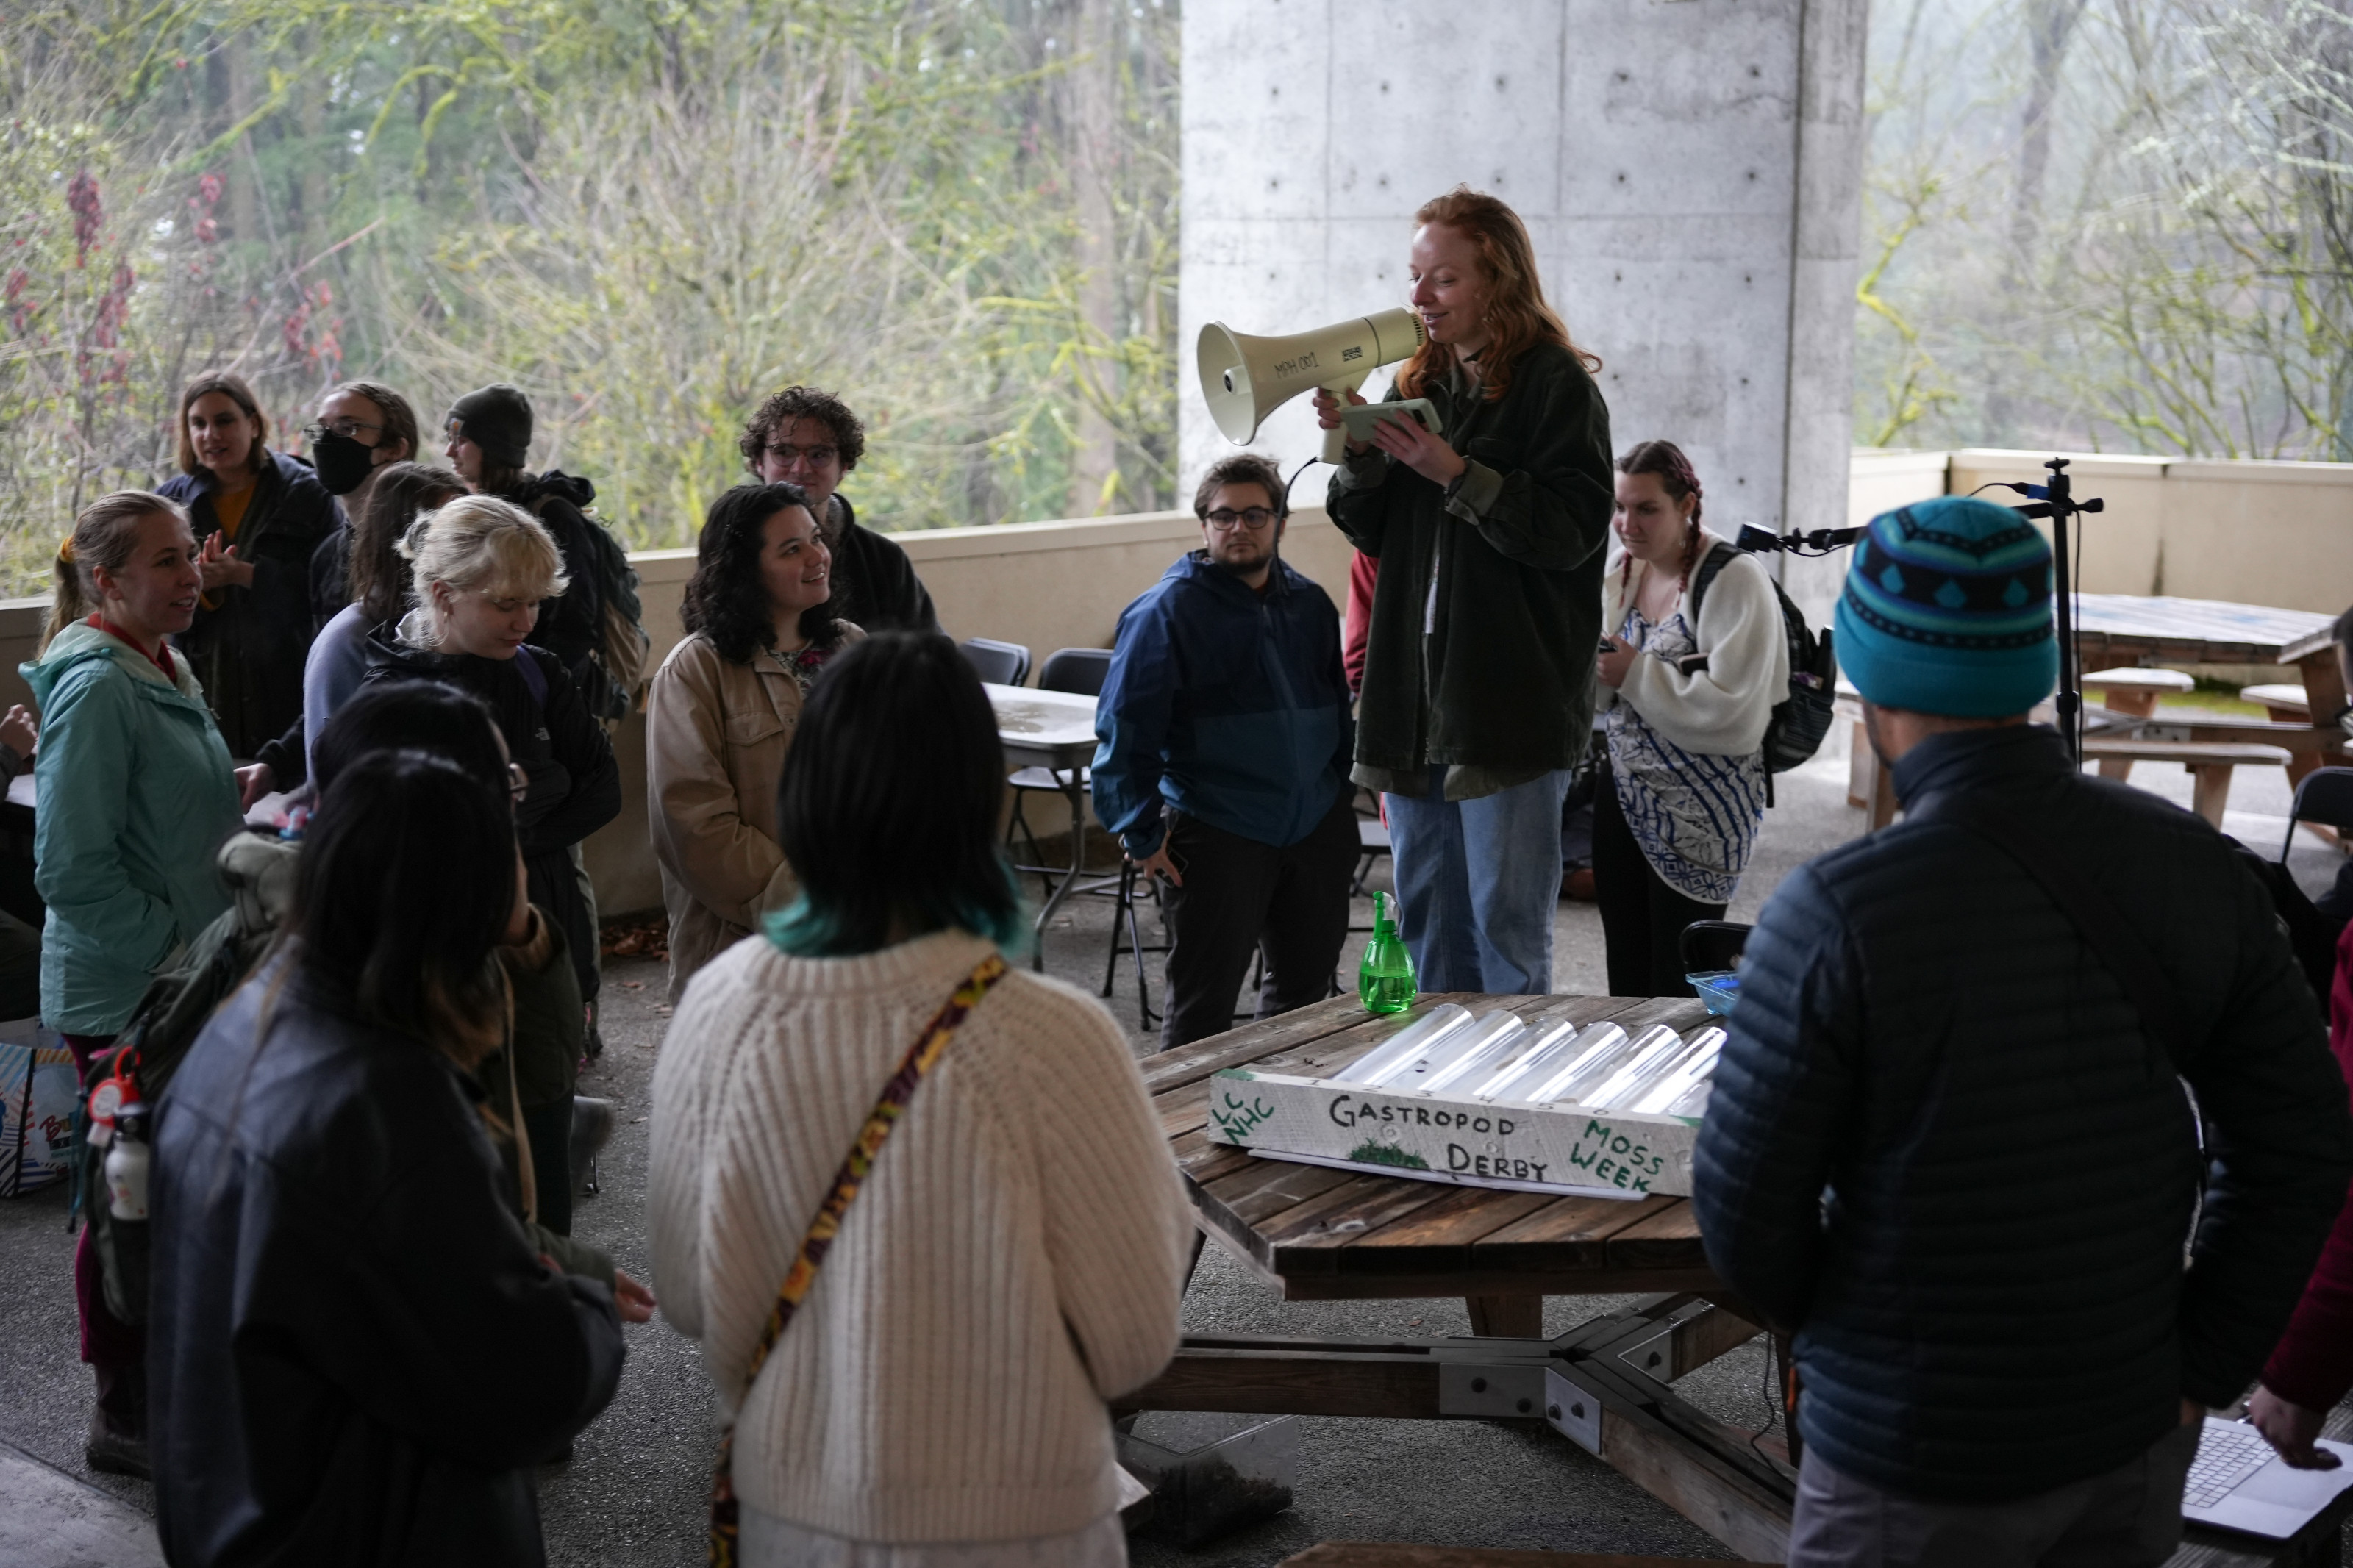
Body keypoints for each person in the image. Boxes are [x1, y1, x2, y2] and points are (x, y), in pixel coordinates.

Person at [1693, 496, 2353, 1567]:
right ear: (2036, 664)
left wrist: (1860, 1352)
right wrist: (2196, 1369)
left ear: (1868, 676)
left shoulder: (1837, 908)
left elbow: (1745, 1217)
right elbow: (2301, 1141)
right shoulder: (2195, 863)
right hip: (2130, 1441)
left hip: (1904, 1460)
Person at [650, 633, 1187, 1567]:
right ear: (976, 801)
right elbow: (1137, 1337)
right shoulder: (1048, 1035)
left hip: (791, 1514)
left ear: (805, 792)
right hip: (1016, 1523)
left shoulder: (720, 1010)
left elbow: (690, 1297)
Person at [148, 749, 626, 1564]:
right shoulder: (387, 1105)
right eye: (507, 851)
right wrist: (586, 1306)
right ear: (461, 896)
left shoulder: (246, 1022)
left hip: (245, 1513)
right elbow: (522, 1384)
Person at [1314, 186, 1615, 995]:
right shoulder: (1421, 377)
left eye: (1441, 280)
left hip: (1504, 704)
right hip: (1412, 706)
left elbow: (1571, 531)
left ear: (1497, 281)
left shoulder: (1556, 387)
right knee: (1422, 922)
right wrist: (1358, 449)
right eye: (1413, 277)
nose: (1417, 299)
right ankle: (1434, 1100)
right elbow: (1373, 532)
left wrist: (1456, 472)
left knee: (1504, 928)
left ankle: (1510, 1108)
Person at [22, 490, 251, 1477]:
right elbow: (69, 867)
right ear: (105, 581)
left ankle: (172, 1383)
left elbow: (153, 814)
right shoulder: (98, 686)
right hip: (130, 991)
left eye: (186, 557)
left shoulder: (160, 661)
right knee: (128, 1196)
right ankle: (122, 1411)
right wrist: (174, 947)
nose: (188, 574)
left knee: (169, 1190)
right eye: (163, 562)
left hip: (180, 980)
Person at [1093, 454, 1357, 1049]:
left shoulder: (1310, 604)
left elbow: (1337, 713)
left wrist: (1338, 807)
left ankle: (1277, 1129)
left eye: (1255, 515)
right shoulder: (1165, 611)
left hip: (1314, 830)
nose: (1240, 527)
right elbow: (1123, 729)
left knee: (1303, 1000)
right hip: (1217, 830)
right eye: (1224, 516)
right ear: (1204, 526)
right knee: (1202, 1005)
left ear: (1281, 522)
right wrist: (1138, 830)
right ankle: (1182, 1139)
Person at [362, 495, 620, 1052]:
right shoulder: (390, 700)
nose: (525, 622)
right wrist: (518, 838)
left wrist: (509, 845)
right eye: (506, 604)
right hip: (453, 942)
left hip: (551, 919)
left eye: (534, 603)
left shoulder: (538, 671)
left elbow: (604, 790)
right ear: (442, 594)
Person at [646, 482, 863, 998]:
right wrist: (810, 906)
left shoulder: (853, 647)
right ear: (744, 571)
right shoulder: (696, 669)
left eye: (816, 538)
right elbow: (696, 826)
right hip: (742, 949)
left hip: (859, 929)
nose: (818, 556)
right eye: (792, 549)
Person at [1593, 440, 1788, 996]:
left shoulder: (1733, 577)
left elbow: (1737, 715)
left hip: (1704, 810)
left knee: (1683, 977)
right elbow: (1603, 687)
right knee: (1626, 970)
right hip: (1627, 788)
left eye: (1647, 508)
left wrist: (1634, 673)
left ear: (1687, 505)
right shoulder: (1624, 571)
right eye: (1621, 507)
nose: (1628, 523)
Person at [155, 373, 339, 759]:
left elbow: (333, 592)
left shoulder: (307, 492)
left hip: (287, 685)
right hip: (203, 685)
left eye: (224, 421)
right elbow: (148, 600)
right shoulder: (169, 503)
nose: (211, 435)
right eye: (198, 424)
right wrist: (203, 589)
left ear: (253, 424)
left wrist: (245, 575)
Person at [302, 462, 465, 774]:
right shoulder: (347, 641)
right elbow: (331, 775)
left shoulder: (463, 627)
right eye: (451, 533)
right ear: (404, 539)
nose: (470, 546)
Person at [740, 385, 940, 634]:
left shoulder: (883, 559)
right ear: (759, 462)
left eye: (819, 454)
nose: (800, 469)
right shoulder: (735, 550)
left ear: (844, 466)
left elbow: (928, 656)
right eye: (784, 452)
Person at [443, 382, 606, 684]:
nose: (449, 450)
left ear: (493, 448)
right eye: (449, 438)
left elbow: (576, 625)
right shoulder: (472, 514)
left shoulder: (553, 516)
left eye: (461, 439)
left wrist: (545, 694)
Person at [303, 378, 422, 626]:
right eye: (322, 428)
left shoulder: (428, 544)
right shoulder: (326, 556)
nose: (326, 442)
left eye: (347, 428)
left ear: (395, 449)